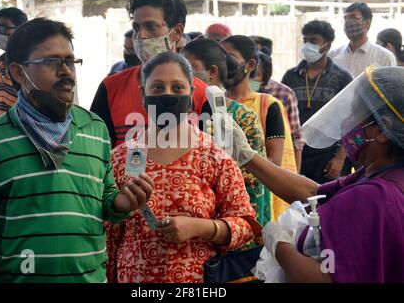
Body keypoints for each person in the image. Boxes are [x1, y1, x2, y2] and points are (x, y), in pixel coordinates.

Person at [0, 18, 154, 283]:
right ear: (18, 72)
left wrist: (120, 203)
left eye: (70, 61)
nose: (66, 72)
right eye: (52, 62)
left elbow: (104, 195)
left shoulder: (94, 129)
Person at [222, 66, 404, 283]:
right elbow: (312, 193)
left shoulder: (373, 196)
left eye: (356, 113)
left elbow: (322, 278)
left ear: (383, 131)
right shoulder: (379, 174)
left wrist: (279, 244)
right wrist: (248, 156)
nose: (347, 120)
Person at [106, 52, 260, 283]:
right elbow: (109, 236)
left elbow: (246, 226)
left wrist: (202, 227)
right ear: (142, 95)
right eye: (157, 87)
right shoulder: (119, 159)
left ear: (190, 94)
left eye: (177, 88)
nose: (167, 94)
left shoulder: (215, 157)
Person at [90, 0, 207, 147]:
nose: (140, 36)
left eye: (151, 27)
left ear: (176, 32)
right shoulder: (110, 88)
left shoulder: (202, 95)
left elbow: (212, 157)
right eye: (136, 27)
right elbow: (98, 155)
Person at [181, 38, 270, 226]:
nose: (182, 76)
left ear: (212, 72)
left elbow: (254, 184)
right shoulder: (180, 117)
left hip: (237, 228)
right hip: (192, 227)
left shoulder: (242, 117)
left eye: (189, 69)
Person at [221, 35, 297, 221]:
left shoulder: (267, 105)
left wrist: (230, 169)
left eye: (229, 56)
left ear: (250, 64)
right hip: (221, 198)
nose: (223, 62)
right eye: (219, 56)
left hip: (257, 199)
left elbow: (274, 161)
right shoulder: (211, 104)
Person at [282, 20, 353, 184]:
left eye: (313, 41)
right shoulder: (290, 76)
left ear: (327, 46)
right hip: (297, 154)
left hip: (328, 157)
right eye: (305, 40)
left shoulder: (342, 77)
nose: (307, 45)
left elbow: (351, 120)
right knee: (296, 205)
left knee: (327, 205)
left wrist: (340, 158)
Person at [252, 51, 304, 172]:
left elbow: (296, 137)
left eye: (256, 75)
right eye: (249, 74)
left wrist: (295, 176)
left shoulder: (279, 98)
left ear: (264, 81)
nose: (250, 79)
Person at [329, 2, 396, 77]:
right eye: (345, 18)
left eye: (353, 18)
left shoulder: (385, 57)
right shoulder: (333, 55)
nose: (348, 22)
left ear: (367, 23)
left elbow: (390, 87)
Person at [0, 7, 28, 117]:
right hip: (1, 131)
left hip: (23, 130)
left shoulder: (30, 66)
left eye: (3, 28)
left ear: (21, 30)